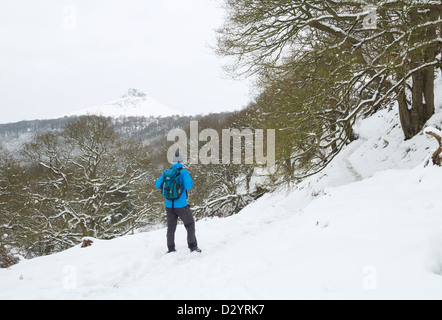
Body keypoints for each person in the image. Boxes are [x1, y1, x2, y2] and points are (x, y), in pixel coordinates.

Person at [155, 152, 201, 254]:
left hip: (168, 205)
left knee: (171, 228)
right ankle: (193, 247)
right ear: (181, 161)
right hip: (181, 205)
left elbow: (157, 185)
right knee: (190, 224)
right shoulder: (183, 172)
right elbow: (189, 186)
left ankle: (171, 249)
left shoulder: (166, 172)